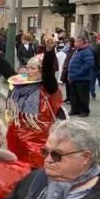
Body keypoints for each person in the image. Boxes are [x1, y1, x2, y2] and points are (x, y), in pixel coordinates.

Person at [6, 36, 63, 169]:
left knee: (37, 172)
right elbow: (5, 69)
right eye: (28, 67)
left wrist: (49, 50)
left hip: (39, 141)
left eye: (33, 68)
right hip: (18, 140)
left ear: (41, 70)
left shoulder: (49, 88)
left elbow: (48, 71)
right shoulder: (21, 87)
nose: (28, 71)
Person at [67, 33, 94, 117]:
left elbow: (89, 64)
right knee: (73, 95)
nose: (74, 43)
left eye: (76, 41)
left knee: (83, 96)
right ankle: (75, 110)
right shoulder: (77, 50)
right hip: (74, 78)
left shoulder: (87, 51)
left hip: (83, 78)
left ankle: (84, 111)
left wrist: (77, 73)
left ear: (81, 42)